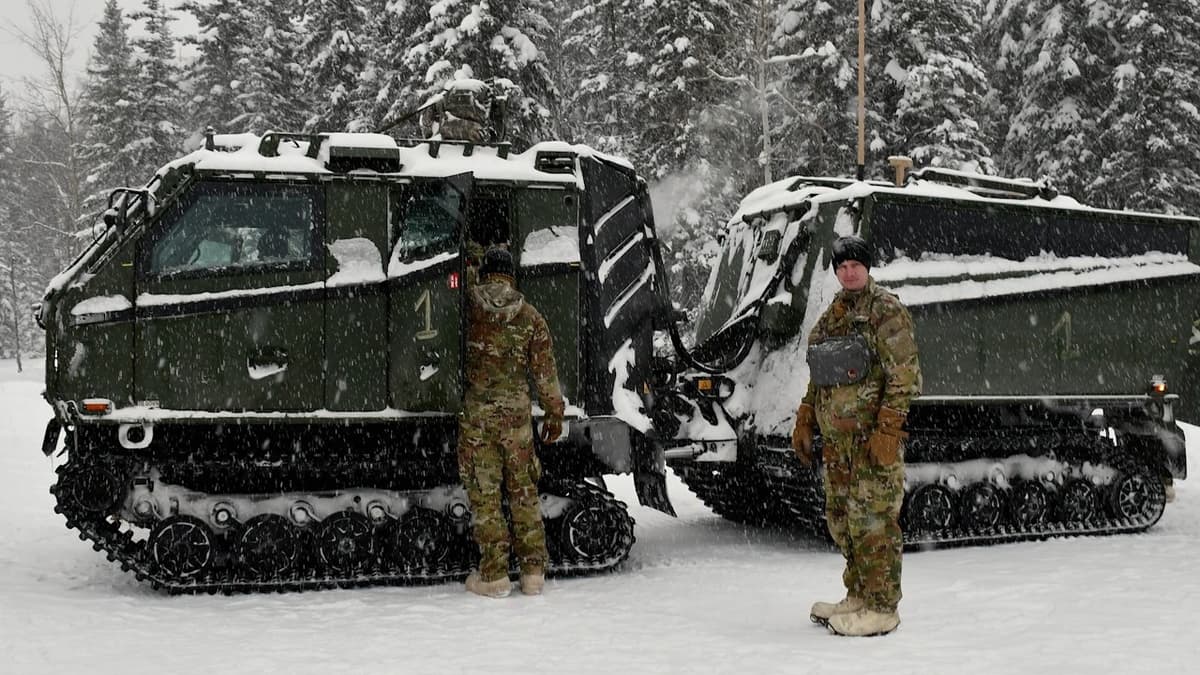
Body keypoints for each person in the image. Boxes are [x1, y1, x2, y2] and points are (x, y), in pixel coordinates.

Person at [791, 235, 921, 637]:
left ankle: (883, 607)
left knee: (874, 523)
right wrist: (806, 415)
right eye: (842, 267)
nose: (849, 272)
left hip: (871, 442)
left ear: (867, 268)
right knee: (843, 521)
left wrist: (889, 428)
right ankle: (859, 595)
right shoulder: (833, 316)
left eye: (856, 266)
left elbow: (904, 376)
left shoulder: (885, 311)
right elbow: (821, 375)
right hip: (838, 445)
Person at [459, 248, 565, 598]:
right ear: (511, 275)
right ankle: (533, 572)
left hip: (478, 419)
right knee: (523, 493)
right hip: (517, 420)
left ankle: (493, 575)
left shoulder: (467, 308)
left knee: (486, 495)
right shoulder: (530, 316)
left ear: (484, 273)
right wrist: (554, 413)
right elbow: (545, 374)